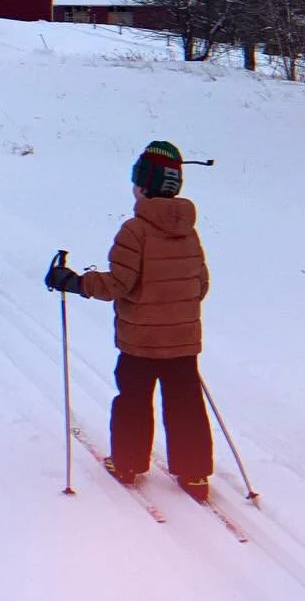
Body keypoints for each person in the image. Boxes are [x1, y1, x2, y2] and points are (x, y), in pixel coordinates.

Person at [44, 140, 214, 502]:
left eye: (136, 179)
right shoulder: (189, 230)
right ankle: (195, 474)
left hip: (140, 342)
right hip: (183, 341)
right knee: (185, 401)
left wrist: (73, 282)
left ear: (144, 184)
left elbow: (117, 284)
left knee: (134, 399)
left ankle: (127, 464)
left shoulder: (135, 231)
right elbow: (200, 284)